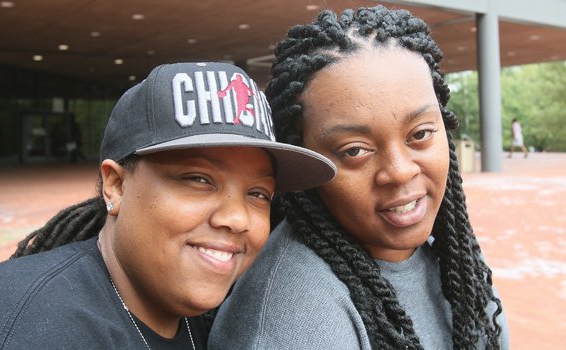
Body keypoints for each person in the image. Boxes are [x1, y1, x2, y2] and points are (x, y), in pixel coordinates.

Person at [209, 6, 509, 350]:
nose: (399, 170)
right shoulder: (294, 319)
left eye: (421, 134)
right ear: (306, 162)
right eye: (354, 151)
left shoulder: (454, 259)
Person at [0, 62, 336, 349]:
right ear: (116, 186)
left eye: (258, 193)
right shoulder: (34, 327)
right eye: (198, 179)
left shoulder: (202, 316)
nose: (236, 218)